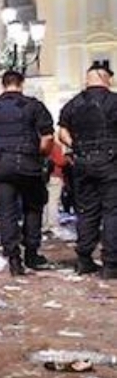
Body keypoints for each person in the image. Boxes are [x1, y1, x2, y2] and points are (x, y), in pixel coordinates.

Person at [0, 70, 55, 276]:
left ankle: (13, 258)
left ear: (2, 85)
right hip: (29, 163)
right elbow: (48, 138)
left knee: (6, 213)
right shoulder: (34, 106)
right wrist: (40, 154)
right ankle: (32, 253)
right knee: (33, 208)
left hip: (0, 165)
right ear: (22, 84)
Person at [57, 61, 117, 276]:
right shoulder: (114, 101)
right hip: (111, 162)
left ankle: (84, 259)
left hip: (82, 163)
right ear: (105, 78)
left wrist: (76, 146)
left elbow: (61, 133)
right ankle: (110, 263)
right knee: (112, 212)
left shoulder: (73, 103)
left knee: (86, 211)